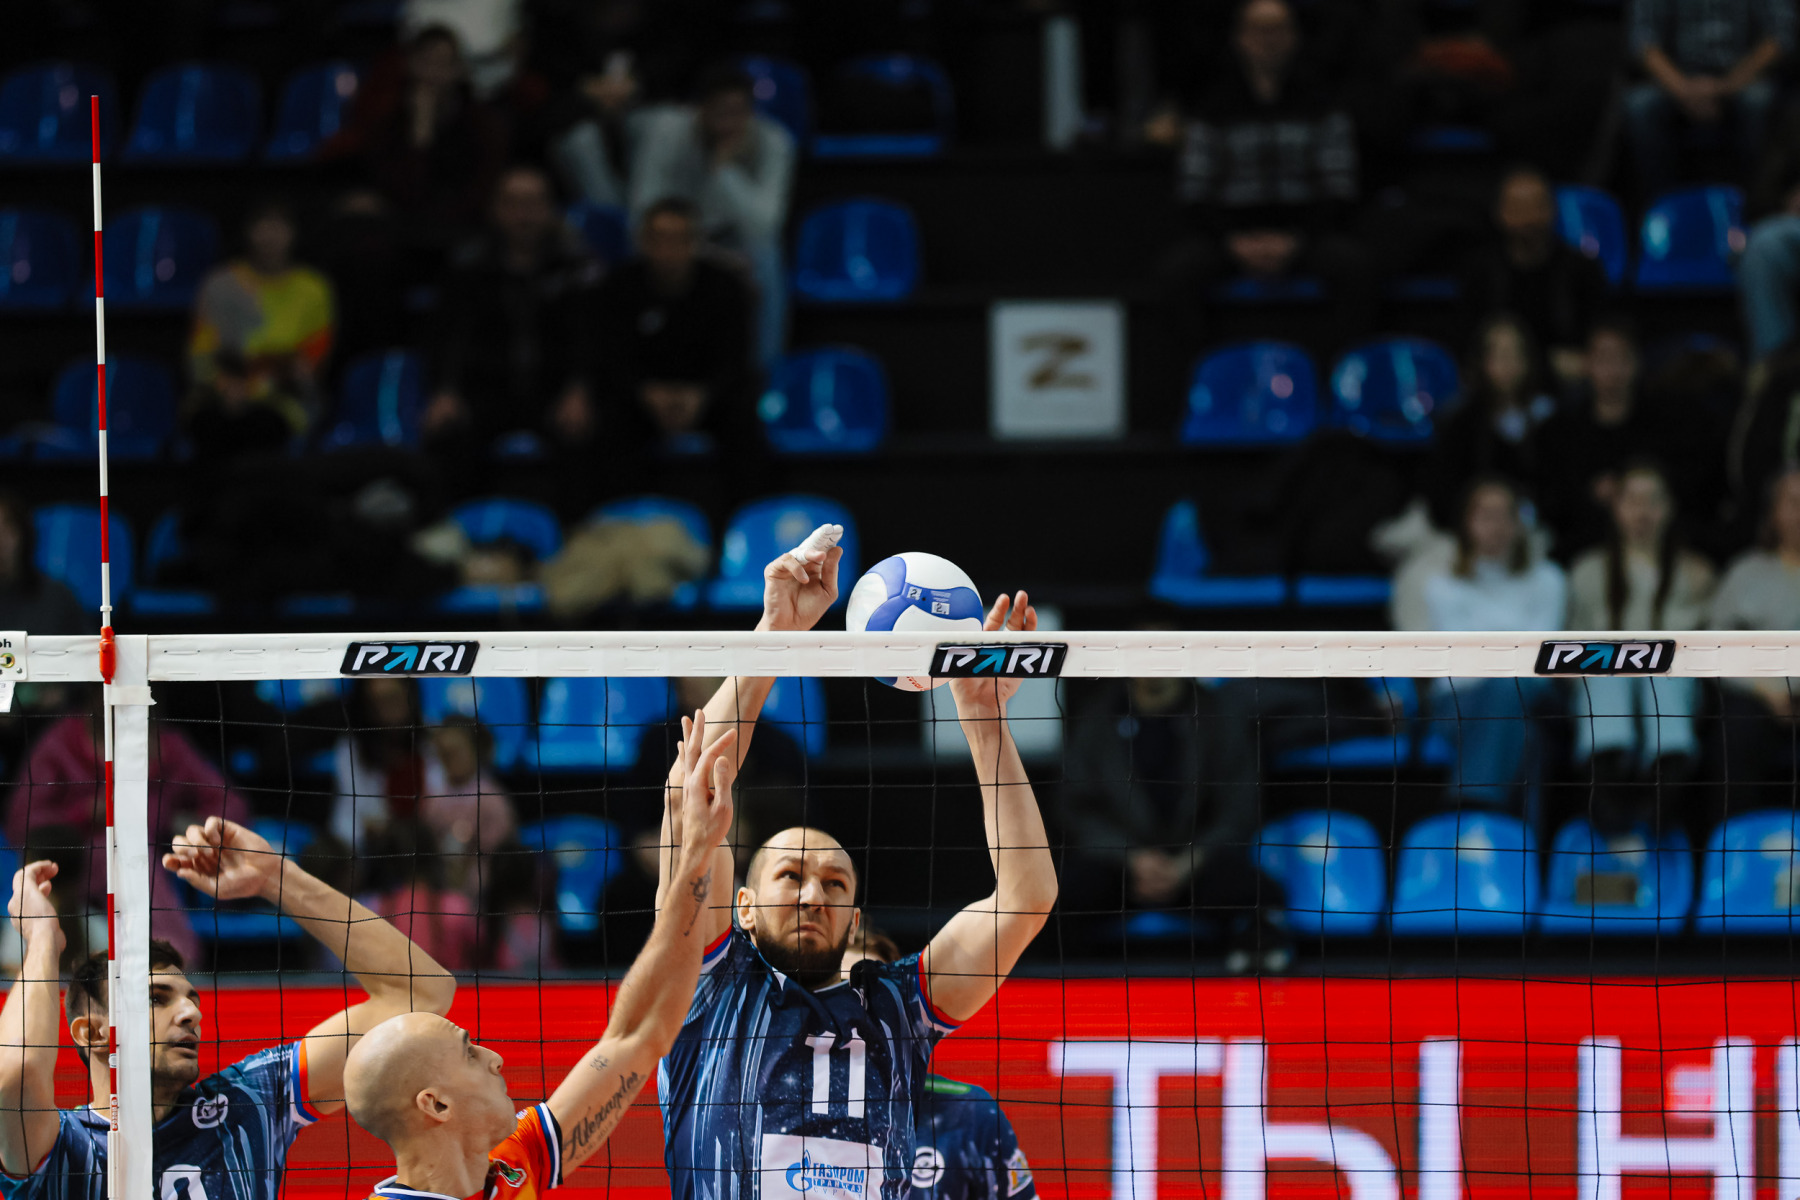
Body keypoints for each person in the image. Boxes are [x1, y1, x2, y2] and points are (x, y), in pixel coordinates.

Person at [656, 529, 1058, 1200]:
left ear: (854, 916)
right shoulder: (710, 989)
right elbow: (692, 791)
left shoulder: (897, 1008)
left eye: (834, 883)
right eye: (791, 876)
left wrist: (983, 719)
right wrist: (776, 633)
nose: (814, 894)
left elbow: (1026, 898)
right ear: (742, 907)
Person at [339, 715, 738, 1200]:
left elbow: (640, 1034)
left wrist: (693, 847)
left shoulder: (513, 1167)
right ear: (435, 1104)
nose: (496, 1057)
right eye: (469, 1052)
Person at [0, 817, 456, 1200]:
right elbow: (15, 1072)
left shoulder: (246, 1103)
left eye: (191, 998)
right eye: (156, 998)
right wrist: (42, 939)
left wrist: (276, 878)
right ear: (93, 1033)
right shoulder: (61, 1146)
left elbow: (420, 995)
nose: (190, 1014)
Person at [1163, 0, 1374, 350]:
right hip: (1230, 232)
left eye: (1277, 30)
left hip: (1306, 230)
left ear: (1294, 37)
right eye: (1258, 30)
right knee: (1177, 272)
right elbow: (1193, 189)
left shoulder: (1322, 102)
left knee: (1356, 267)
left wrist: (1297, 239)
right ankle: (1203, 370)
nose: (1268, 40)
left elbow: (1340, 185)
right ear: (1240, 38)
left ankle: (1341, 368)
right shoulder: (1213, 106)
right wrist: (1233, 240)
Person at [1058, 676, 1289, 972]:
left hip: (1199, 864)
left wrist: (1189, 862)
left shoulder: (1220, 715)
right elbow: (1075, 809)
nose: (1155, 665)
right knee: (1058, 895)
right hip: (1119, 866)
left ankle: (1254, 977)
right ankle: (1068, 983)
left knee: (1258, 893)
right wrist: (1131, 857)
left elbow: (1240, 810)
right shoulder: (1096, 718)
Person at [3, 691, 255, 962]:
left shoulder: (168, 748)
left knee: (134, 856)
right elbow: (21, 821)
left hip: (150, 865)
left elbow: (232, 805)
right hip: (71, 868)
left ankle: (170, 961)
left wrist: (185, 822)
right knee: (118, 855)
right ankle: (170, 958)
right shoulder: (61, 743)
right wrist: (85, 813)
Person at [1567, 463, 1716, 827]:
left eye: (1653, 500)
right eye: (1632, 500)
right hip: (1601, 694)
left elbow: (1708, 653)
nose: (1642, 511)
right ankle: (1608, 789)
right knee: (1606, 673)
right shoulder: (1586, 572)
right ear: (1615, 507)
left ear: (1670, 508)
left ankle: (1666, 789)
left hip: (1676, 692)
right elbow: (1567, 655)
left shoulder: (1698, 574)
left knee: (1663, 675)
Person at [840, 930, 1036, 1200]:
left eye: (872, 999)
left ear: (901, 1013)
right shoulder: (784, 1109)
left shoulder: (969, 1112)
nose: (854, 1018)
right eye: (838, 999)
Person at [427, 165, 601, 458]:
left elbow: (591, 337)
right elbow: (446, 337)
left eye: (533, 203)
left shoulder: (578, 269)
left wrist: (580, 389)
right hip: (486, 391)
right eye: (514, 203)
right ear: (496, 209)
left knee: (593, 433)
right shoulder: (468, 268)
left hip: (554, 391)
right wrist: (445, 390)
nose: (524, 214)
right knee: (446, 434)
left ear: (550, 209)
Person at [591, 198, 760, 499]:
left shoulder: (725, 287)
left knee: (745, 424)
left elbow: (736, 358)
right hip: (642, 397)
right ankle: (624, 516)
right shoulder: (619, 286)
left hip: (706, 397)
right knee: (607, 423)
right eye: (659, 239)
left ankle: (744, 517)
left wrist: (702, 395)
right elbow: (610, 356)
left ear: (695, 243)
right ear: (643, 242)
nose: (668, 250)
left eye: (679, 239)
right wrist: (645, 392)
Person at [630, 64, 795, 367]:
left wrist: (725, 169)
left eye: (738, 112)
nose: (728, 123)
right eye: (720, 111)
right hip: (679, 239)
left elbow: (764, 225)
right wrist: (695, 249)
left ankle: (764, 370)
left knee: (767, 257)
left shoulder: (774, 141)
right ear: (699, 108)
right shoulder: (668, 132)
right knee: (639, 244)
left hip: (734, 244)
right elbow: (644, 208)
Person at [1421, 477, 1568, 809]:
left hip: (1534, 696)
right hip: (1460, 702)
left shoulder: (1549, 580)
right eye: (1485, 515)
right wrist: (1511, 647)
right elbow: (1460, 662)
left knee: (1510, 691)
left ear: (1519, 523)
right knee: (1529, 736)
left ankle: (1473, 807)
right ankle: (1519, 836)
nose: (1496, 525)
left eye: (1505, 515)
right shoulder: (1441, 585)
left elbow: (1540, 657)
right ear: (1467, 523)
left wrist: (1496, 651)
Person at [327, 25, 508, 256]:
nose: (434, 73)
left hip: (462, 222)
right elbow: (397, 190)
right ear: (410, 65)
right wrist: (420, 134)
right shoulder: (388, 121)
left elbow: (481, 189)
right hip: (401, 223)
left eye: (444, 63)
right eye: (426, 62)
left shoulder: (483, 123)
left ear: (459, 69)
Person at [187, 199, 335, 446]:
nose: (269, 236)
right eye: (262, 225)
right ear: (248, 231)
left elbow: (311, 363)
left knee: (261, 429)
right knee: (210, 426)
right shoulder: (220, 284)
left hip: (283, 399)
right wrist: (225, 385)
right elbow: (200, 355)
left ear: (294, 233)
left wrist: (258, 385)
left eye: (279, 226)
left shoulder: (313, 289)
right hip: (221, 395)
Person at [1458, 167, 1610, 386]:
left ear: (1553, 210)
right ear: (1499, 213)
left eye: (1538, 206)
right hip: (1499, 383)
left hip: (1568, 385)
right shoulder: (1480, 270)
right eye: (1519, 208)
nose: (1530, 219)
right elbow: (1469, 345)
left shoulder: (1583, 269)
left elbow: (1599, 338)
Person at [1623, 0, 1793, 195]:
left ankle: (1753, 201)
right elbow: (1642, 40)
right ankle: (1662, 204)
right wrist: (1684, 90)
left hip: (1742, 77)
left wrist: (1726, 86)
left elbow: (1780, 37)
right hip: (1677, 80)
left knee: (1758, 101)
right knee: (1640, 105)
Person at [1710, 467, 1800, 807]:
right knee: (1736, 725)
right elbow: (1715, 648)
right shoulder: (1745, 573)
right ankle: (1734, 832)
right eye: (1793, 503)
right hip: (1758, 698)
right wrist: (1767, 690)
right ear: (1773, 512)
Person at [1422, 314, 1558, 529]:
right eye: (1499, 354)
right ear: (1481, 361)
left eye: (1516, 353)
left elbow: (1558, 493)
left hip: (1534, 531)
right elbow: (1443, 493)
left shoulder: (1550, 418)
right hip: (1471, 533)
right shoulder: (1461, 422)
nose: (1508, 363)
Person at [0, 493, 86, 637]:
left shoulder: (56, 597)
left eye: (6, 529)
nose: (1, 540)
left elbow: (85, 646)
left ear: (22, 534)